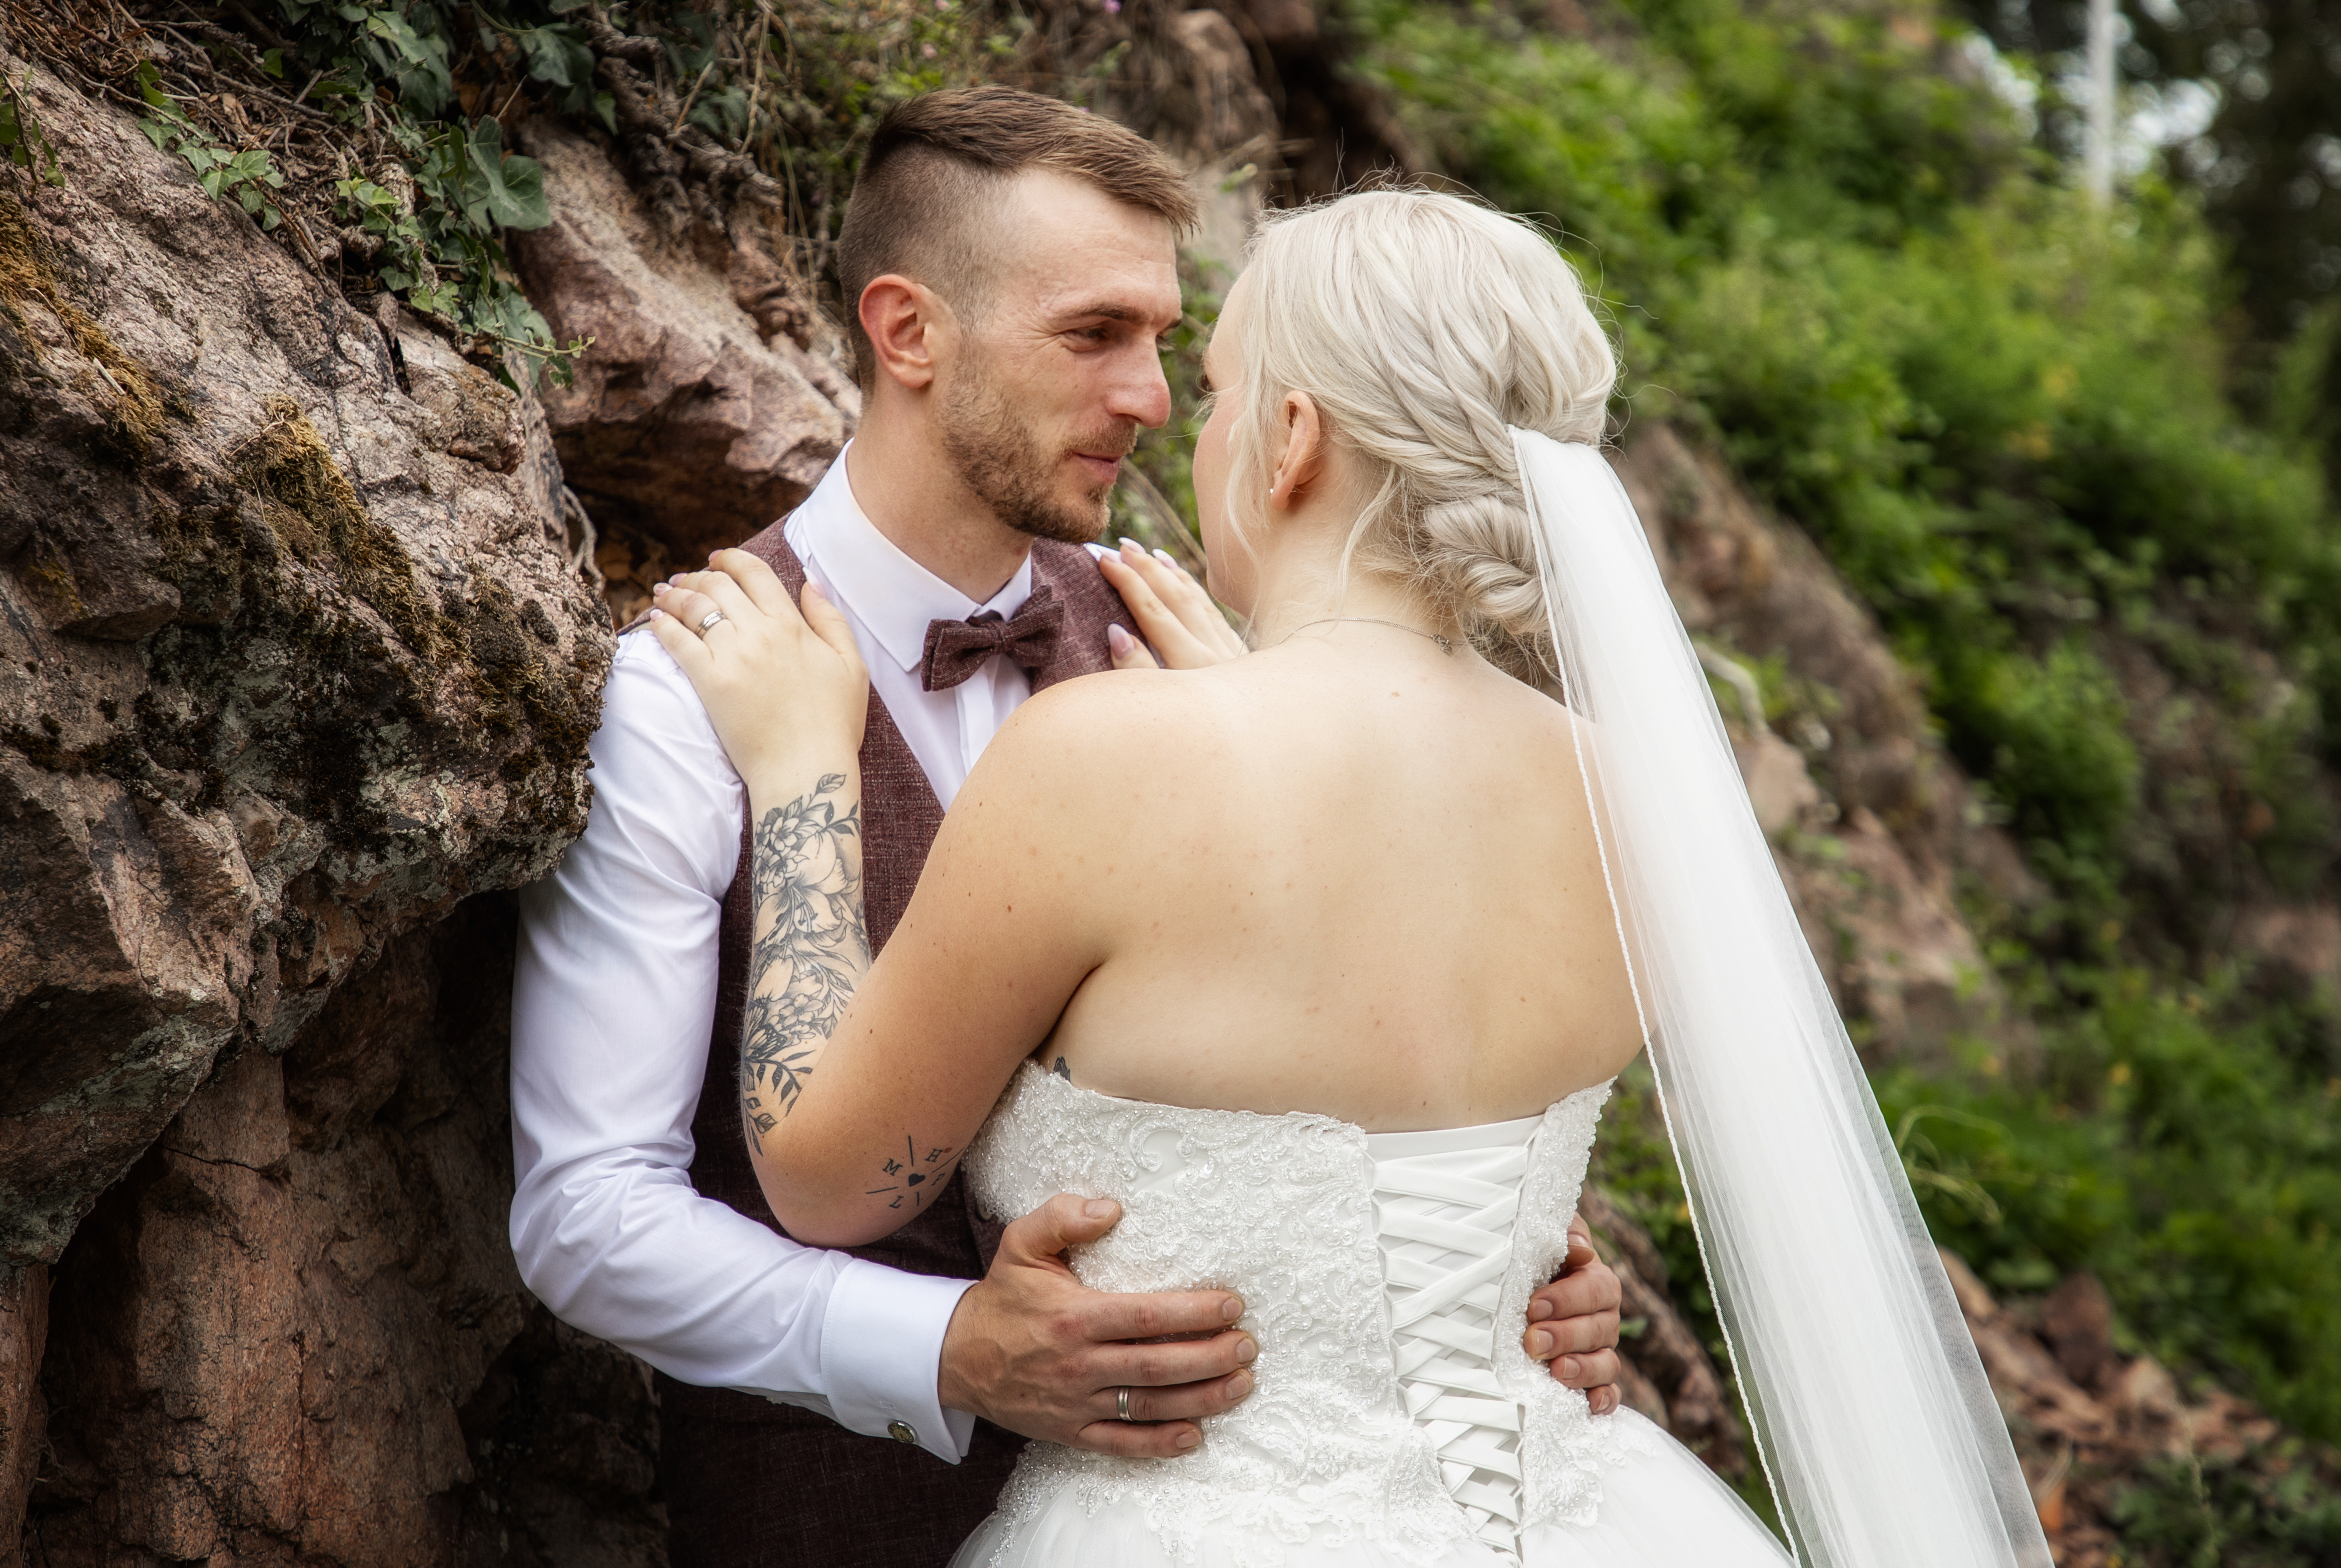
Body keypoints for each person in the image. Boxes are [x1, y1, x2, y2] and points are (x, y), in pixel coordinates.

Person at [647, 183, 2060, 1566]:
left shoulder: (1107, 758)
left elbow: (827, 1180)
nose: (1177, 435)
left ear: (1295, 439)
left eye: (1211, 394)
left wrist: (805, 775)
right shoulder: (1638, 802)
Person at [507, 88, 1625, 1568]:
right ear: (908, 333)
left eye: (1169, 342)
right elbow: (586, 1210)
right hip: (843, 1520)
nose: (1154, 397)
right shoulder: (695, 687)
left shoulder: (1187, 661)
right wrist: (944, 1347)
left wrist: (1507, 1263)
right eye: (1095, 335)